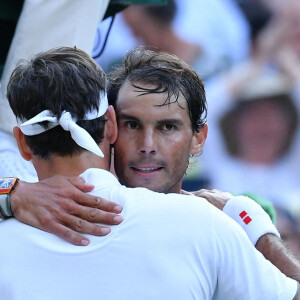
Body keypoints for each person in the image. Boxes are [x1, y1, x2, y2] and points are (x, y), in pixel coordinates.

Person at [1, 45, 299, 299]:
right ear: (112, 126)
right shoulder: (206, 223)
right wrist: (257, 228)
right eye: (133, 125)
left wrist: (8, 194)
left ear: (22, 142)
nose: (147, 146)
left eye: (167, 127)